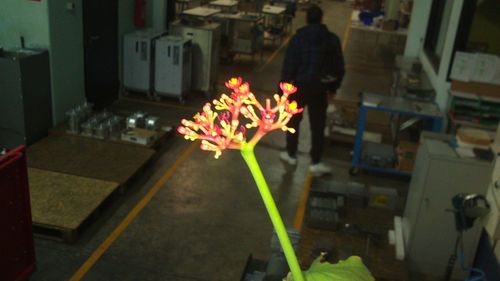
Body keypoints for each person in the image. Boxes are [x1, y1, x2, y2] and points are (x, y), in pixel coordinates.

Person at [279, 4, 345, 176]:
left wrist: (282, 91)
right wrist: (333, 88)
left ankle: (290, 154)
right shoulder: (331, 40)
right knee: (317, 125)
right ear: (321, 19)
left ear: (307, 19)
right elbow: (339, 67)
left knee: (293, 122)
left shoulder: (297, 39)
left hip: (299, 87)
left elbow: (288, 66)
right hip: (320, 88)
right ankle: (315, 162)